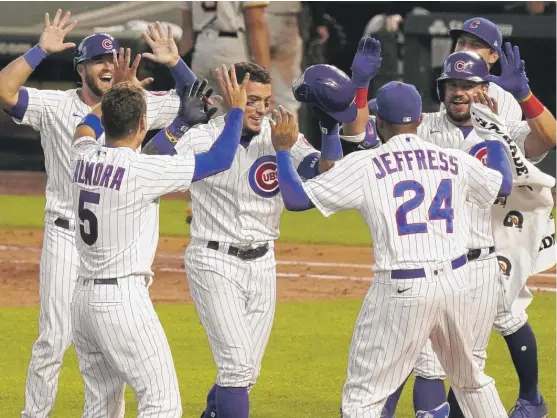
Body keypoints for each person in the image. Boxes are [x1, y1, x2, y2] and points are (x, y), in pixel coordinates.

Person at [0, 9, 198, 417]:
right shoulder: (56, 106)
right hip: (65, 234)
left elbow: (197, 100)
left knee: (108, 349)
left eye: (112, 59)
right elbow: (5, 90)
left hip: (117, 242)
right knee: (53, 340)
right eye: (97, 60)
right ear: (81, 69)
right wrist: (39, 50)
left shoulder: (135, 101)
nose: (108, 65)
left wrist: (175, 62)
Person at [274, 80, 513, 418]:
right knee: (472, 381)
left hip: (402, 288)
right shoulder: (453, 159)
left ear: (379, 123)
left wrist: (283, 150)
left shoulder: (367, 164)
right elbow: (503, 183)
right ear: (418, 120)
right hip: (458, 283)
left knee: (363, 398)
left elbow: (296, 200)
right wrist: (494, 134)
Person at [144, 61, 359, 418]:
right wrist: (179, 123)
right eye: (251, 100)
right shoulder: (203, 135)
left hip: (263, 264)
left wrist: (330, 129)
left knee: (247, 373)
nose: (260, 109)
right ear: (232, 97)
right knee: (236, 368)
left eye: (266, 100)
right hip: (213, 261)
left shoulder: (280, 135)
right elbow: (149, 165)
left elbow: (328, 172)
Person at [69, 53, 247, 416]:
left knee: (101, 405)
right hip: (122, 303)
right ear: (142, 123)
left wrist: (120, 95)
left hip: (82, 301)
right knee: (161, 403)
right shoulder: (139, 171)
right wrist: (237, 112)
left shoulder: (82, 155)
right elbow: (220, 160)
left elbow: (85, 128)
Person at [381, 49, 555, 418]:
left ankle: (531, 400)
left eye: (469, 85)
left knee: (469, 366)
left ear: (485, 88)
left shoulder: (503, 130)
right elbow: (369, 129)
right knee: (429, 360)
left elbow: (549, 139)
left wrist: (524, 96)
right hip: (433, 260)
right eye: (453, 85)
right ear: (442, 89)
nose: (460, 93)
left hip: (482, 259)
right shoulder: (421, 126)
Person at [179, 1, 271, 93]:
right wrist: (265, 79)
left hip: (201, 48)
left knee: (207, 105)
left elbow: (187, 30)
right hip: (231, 48)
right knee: (240, 103)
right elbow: (256, 23)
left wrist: (179, 69)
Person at [445, 17, 522, 120]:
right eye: (461, 43)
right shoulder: (445, 87)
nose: (465, 49)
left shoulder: (505, 100)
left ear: (494, 56)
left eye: (475, 45)